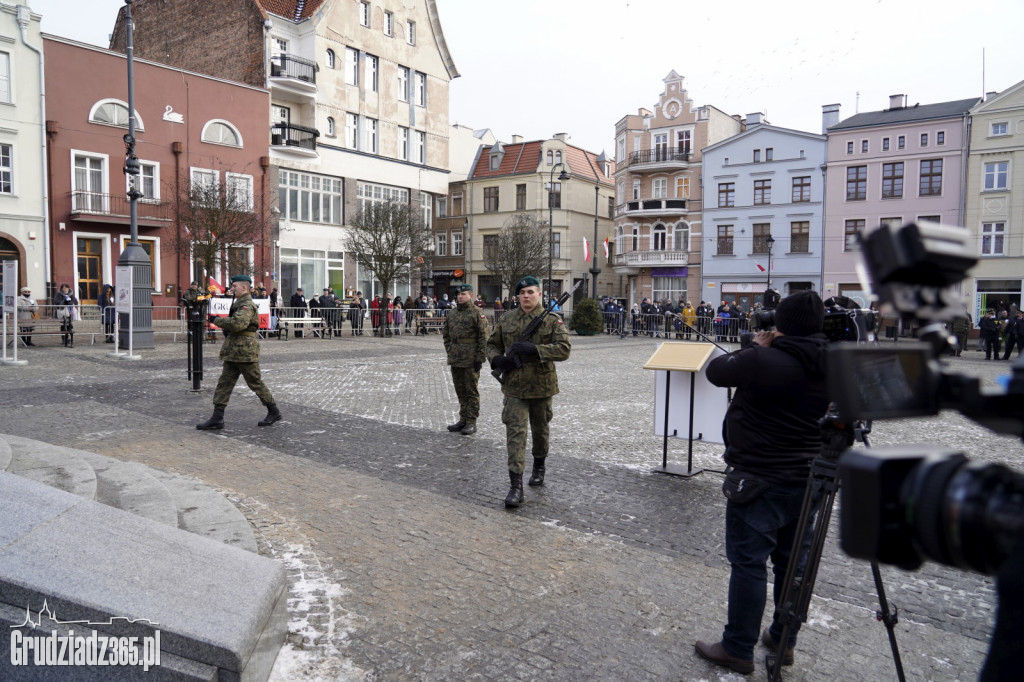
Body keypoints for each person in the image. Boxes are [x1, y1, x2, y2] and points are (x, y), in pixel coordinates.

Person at [695, 290, 829, 675]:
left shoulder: (762, 357)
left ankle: (737, 647)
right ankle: (784, 640)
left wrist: (756, 345)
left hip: (759, 478)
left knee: (750, 563)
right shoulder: (836, 363)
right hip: (812, 479)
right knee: (793, 564)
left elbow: (718, 372)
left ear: (780, 324)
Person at [486, 276, 571, 508]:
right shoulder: (507, 318)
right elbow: (491, 344)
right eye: (522, 293)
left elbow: (564, 349)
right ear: (517, 296)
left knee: (540, 432)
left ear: (539, 294)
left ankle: (539, 466)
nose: (526, 296)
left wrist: (535, 350)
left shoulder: (552, 320)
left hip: (542, 387)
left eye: (530, 292)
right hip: (514, 387)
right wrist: (498, 359)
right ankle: (516, 486)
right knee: (515, 435)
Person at [196, 275, 281, 430]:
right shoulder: (239, 303)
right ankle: (217, 418)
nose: (231, 289)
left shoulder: (247, 305)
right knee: (225, 383)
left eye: (234, 286)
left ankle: (273, 411)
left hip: (245, 351)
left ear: (244, 287)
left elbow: (237, 324)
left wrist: (216, 320)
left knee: (254, 382)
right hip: (234, 350)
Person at [442, 284, 490, 436]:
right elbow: (446, 335)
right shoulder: (452, 313)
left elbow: (484, 337)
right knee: (460, 390)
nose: (460, 296)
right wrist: (450, 350)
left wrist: (480, 357)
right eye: (458, 294)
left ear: (470, 295)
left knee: (471, 391)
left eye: (463, 294)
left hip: (471, 359)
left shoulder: (477, 313)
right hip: (456, 358)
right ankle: (463, 419)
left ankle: (471, 421)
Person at [52, 283, 79, 348]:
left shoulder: (71, 294)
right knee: (63, 325)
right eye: (64, 288)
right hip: (62, 311)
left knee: (69, 325)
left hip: (69, 311)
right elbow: (55, 301)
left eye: (66, 288)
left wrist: (70, 301)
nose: (65, 289)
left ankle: (67, 337)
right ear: (61, 289)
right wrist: (63, 301)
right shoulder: (59, 294)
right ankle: (64, 339)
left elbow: (75, 301)